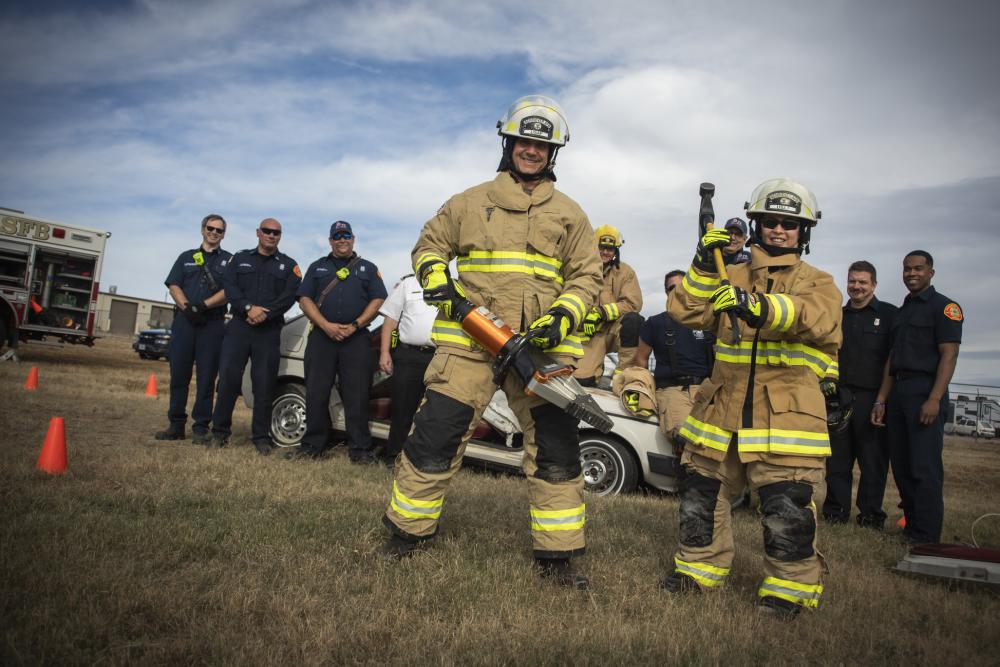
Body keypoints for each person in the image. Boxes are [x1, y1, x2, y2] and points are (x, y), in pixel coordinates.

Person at [379, 95, 602, 588]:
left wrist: (562, 317)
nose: (532, 150)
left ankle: (557, 557)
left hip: (541, 352)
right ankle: (405, 534)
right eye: (524, 140)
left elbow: (587, 276)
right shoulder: (469, 201)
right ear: (509, 142)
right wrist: (437, 278)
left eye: (542, 144)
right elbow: (429, 245)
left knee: (558, 450)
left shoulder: (571, 214)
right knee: (436, 434)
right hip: (469, 343)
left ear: (553, 153)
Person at [663, 178, 842, 618]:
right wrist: (705, 265)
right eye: (771, 222)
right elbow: (683, 310)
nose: (780, 231)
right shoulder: (730, 273)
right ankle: (698, 572)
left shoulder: (819, 282)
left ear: (805, 232)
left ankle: (788, 590)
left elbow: (819, 320)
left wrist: (760, 307)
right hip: (721, 411)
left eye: (791, 224)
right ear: (757, 223)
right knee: (700, 495)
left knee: (785, 504)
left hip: (785, 417)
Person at [872, 250, 962, 544]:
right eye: (907, 269)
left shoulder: (945, 308)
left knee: (924, 467)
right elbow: (891, 358)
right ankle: (911, 527)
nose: (911, 274)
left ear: (930, 273)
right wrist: (881, 399)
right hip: (898, 391)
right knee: (901, 465)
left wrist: (935, 398)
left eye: (918, 269)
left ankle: (926, 536)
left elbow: (949, 355)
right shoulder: (903, 310)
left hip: (925, 391)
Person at [293, 220, 387, 463]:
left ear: (353, 239)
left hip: (356, 340)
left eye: (346, 235)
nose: (342, 239)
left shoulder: (367, 268)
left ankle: (360, 449)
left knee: (357, 395)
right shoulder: (317, 267)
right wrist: (326, 326)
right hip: (321, 339)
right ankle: (313, 446)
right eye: (337, 236)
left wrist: (355, 325)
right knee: (316, 392)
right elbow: (304, 299)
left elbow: (378, 301)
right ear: (330, 241)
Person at [210, 218, 301, 455]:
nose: (271, 235)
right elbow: (230, 286)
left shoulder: (289, 265)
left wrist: (265, 314)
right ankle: (220, 433)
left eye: (276, 233)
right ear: (258, 233)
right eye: (267, 231)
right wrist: (249, 308)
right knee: (228, 381)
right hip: (239, 327)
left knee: (264, 384)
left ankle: (260, 437)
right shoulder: (240, 259)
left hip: (268, 331)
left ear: (280, 236)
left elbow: (290, 296)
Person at [822, 261, 898, 529]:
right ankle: (835, 513)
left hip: (872, 398)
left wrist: (882, 399)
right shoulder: (837, 316)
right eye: (852, 281)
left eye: (863, 282)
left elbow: (893, 359)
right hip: (839, 398)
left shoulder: (890, 315)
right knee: (837, 462)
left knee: (872, 462)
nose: (856, 286)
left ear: (874, 285)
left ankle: (870, 516)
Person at [156, 214, 232, 444]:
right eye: (210, 228)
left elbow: (230, 290)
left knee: (207, 377)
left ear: (223, 234)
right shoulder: (186, 257)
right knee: (179, 375)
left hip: (212, 323)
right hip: (185, 322)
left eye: (219, 230)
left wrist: (203, 306)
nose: (214, 233)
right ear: (202, 229)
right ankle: (176, 425)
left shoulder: (229, 261)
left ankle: (200, 427)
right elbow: (174, 284)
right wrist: (188, 308)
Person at [634, 270, 714, 451]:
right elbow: (641, 359)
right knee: (685, 437)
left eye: (682, 287)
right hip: (673, 391)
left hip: (706, 390)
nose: (677, 292)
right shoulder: (654, 323)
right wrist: (645, 393)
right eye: (672, 288)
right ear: (666, 293)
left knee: (717, 440)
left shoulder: (708, 321)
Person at [378, 273, 437, 467]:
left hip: (439, 358)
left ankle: (422, 460)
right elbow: (390, 320)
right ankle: (394, 457)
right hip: (408, 356)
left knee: (433, 413)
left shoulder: (452, 284)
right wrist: (384, 352)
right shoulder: (407, 284)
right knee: (402, 409)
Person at [573, 225, 643, 385]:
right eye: (602, 247)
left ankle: (621, 376)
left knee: (634, 321)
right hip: (588, 335)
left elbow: (633, 304)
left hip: (614, 332)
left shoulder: (626, 272)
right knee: (583, 381)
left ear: (616, 251)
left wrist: (600, 313)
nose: (605, 252)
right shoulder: (580, 269)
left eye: (610, 249)